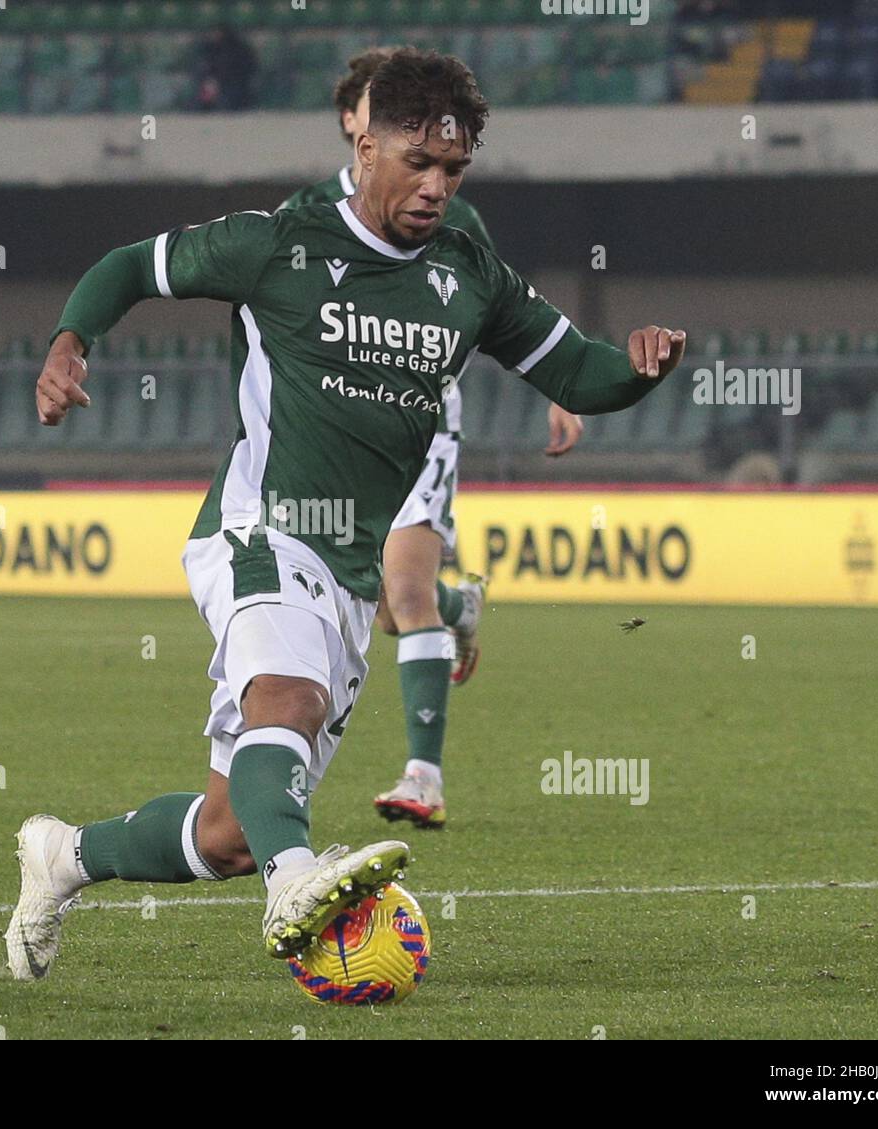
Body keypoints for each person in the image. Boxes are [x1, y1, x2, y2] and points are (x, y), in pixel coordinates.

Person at [6, 47, 684, 981]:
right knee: (286, 704)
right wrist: (68, 346)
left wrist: (639, 370)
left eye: (453, 170)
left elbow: (576, 370)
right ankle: (294, 885)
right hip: (258, 527)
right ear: (365, 149)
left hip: (348, 570)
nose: (437, 186)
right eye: (419, 162)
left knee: (230, 831)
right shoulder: (277, 241)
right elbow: (133, 265)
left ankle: (65, 856)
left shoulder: (468, 274)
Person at [276, 48, 586, 829]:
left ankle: (424, 776)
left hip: (422, 422)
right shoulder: (306, 213)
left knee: (403, 595)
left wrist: (559, 383)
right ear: (356, 128)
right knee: (386, 604)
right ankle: (460, 605)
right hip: (342, 433)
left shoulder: (446, 210)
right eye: (364, 110)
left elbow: (508, 309)